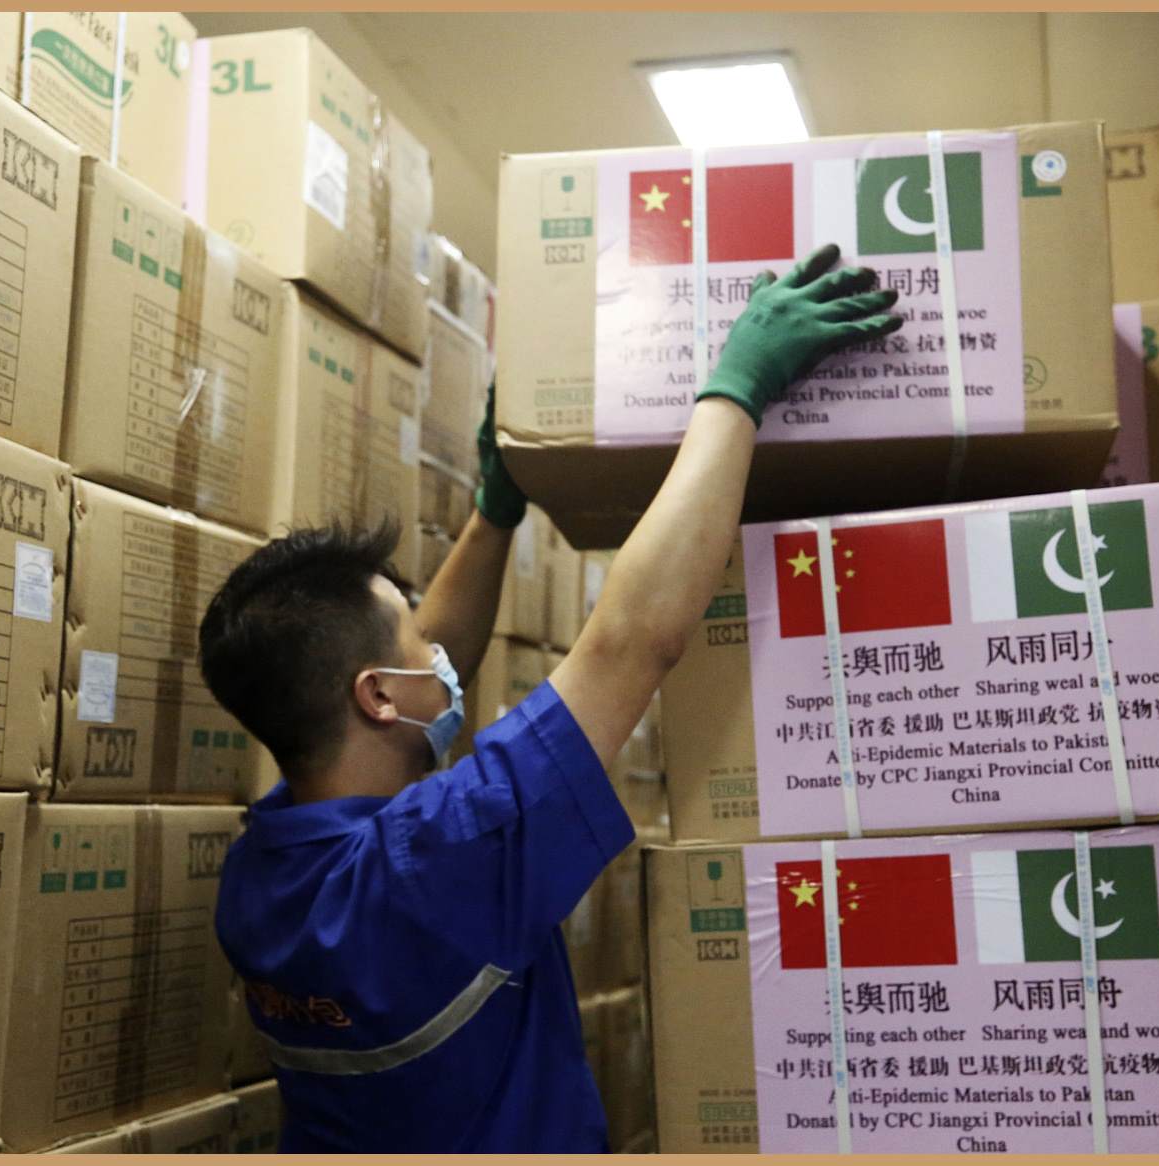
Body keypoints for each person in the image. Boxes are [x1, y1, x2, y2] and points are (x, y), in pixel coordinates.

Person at [198, 244, 900, 1153]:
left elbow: (410, 678)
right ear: (378, 699)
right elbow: (631, 640)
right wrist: (739, 388)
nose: (442, 659)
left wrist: (495, 511)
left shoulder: (264, 878)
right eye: (417, 644)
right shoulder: (436, 861)